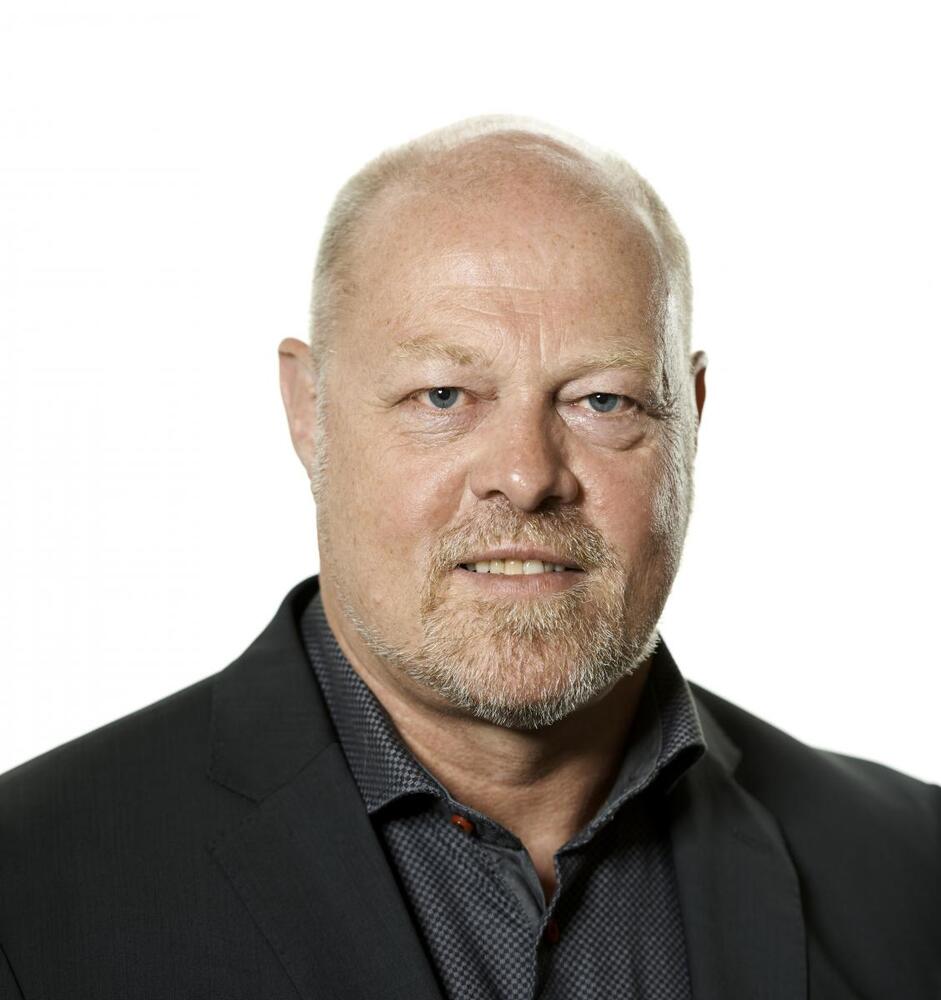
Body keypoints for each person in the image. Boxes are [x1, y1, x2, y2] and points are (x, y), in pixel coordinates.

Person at [0, 117, 937, 1000]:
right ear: (307, 410)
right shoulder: (29, 885)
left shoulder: (915, 872)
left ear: (690, 417)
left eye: (603, 401)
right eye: (443, 395)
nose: (526, 477)